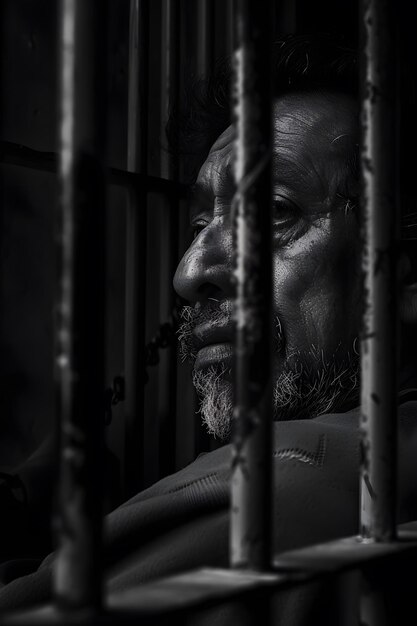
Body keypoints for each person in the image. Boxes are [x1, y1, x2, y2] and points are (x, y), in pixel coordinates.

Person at [0, 34, 416, 624]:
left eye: (274, 210)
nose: (188, 273)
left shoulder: (275, 487)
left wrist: (15, 502)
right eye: (202, 222)